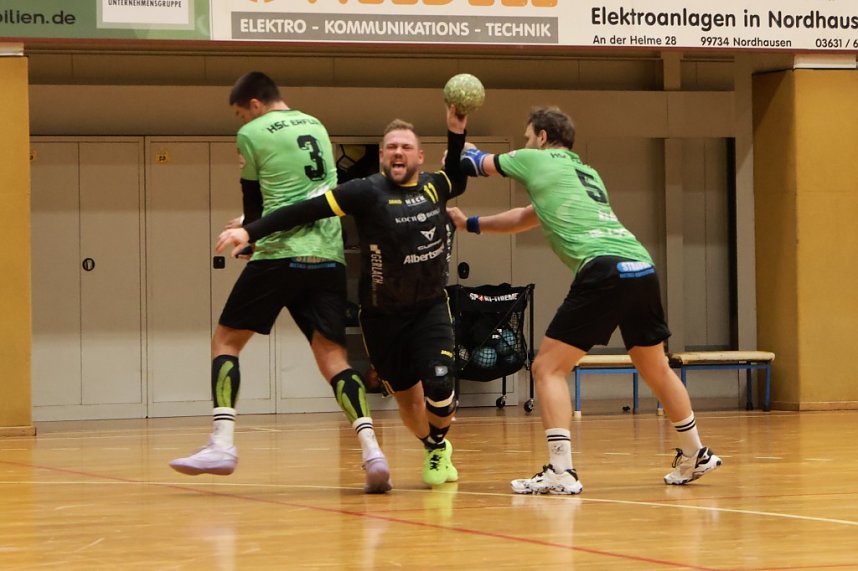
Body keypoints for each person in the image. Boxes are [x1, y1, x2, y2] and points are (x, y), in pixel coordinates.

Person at [449, 105, 721, 494]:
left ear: (542, 137)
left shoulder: (535, 160)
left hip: (603, 269)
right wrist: (470, 224)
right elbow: (526, 217)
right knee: (654, 365)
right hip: (639, 265)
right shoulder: (586, 173)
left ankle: (561, 471)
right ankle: (696, 452)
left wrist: (456, 141)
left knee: (546, 368)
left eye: (528, 138)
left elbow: (474, 162)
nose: (526, 145)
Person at [216, 106, 469, 487]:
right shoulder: (365, 192)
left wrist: (456, 131)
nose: (397, 152)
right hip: (382, 316)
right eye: (390, 148)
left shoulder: (435, 186)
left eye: (405, 147)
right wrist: (252, 230)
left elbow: (459, 179)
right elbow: (305, 210)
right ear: (382, 156)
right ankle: (432, 445)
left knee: (438, 383)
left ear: (419, 157)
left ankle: (437, 446)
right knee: (407, 400)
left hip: (429, 308)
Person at [169, 71, 391, 494]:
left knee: (226, 342)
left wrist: (250, 234)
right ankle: (372, 452)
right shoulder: (316, 125)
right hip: (327, 255)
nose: (240, 120)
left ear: (253, 104)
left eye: (239, 112)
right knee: (334, 359)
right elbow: (310, 193)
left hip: (280, 255)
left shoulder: (252, 132)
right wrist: (252, 223)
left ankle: (222, 443)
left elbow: (254, 198)